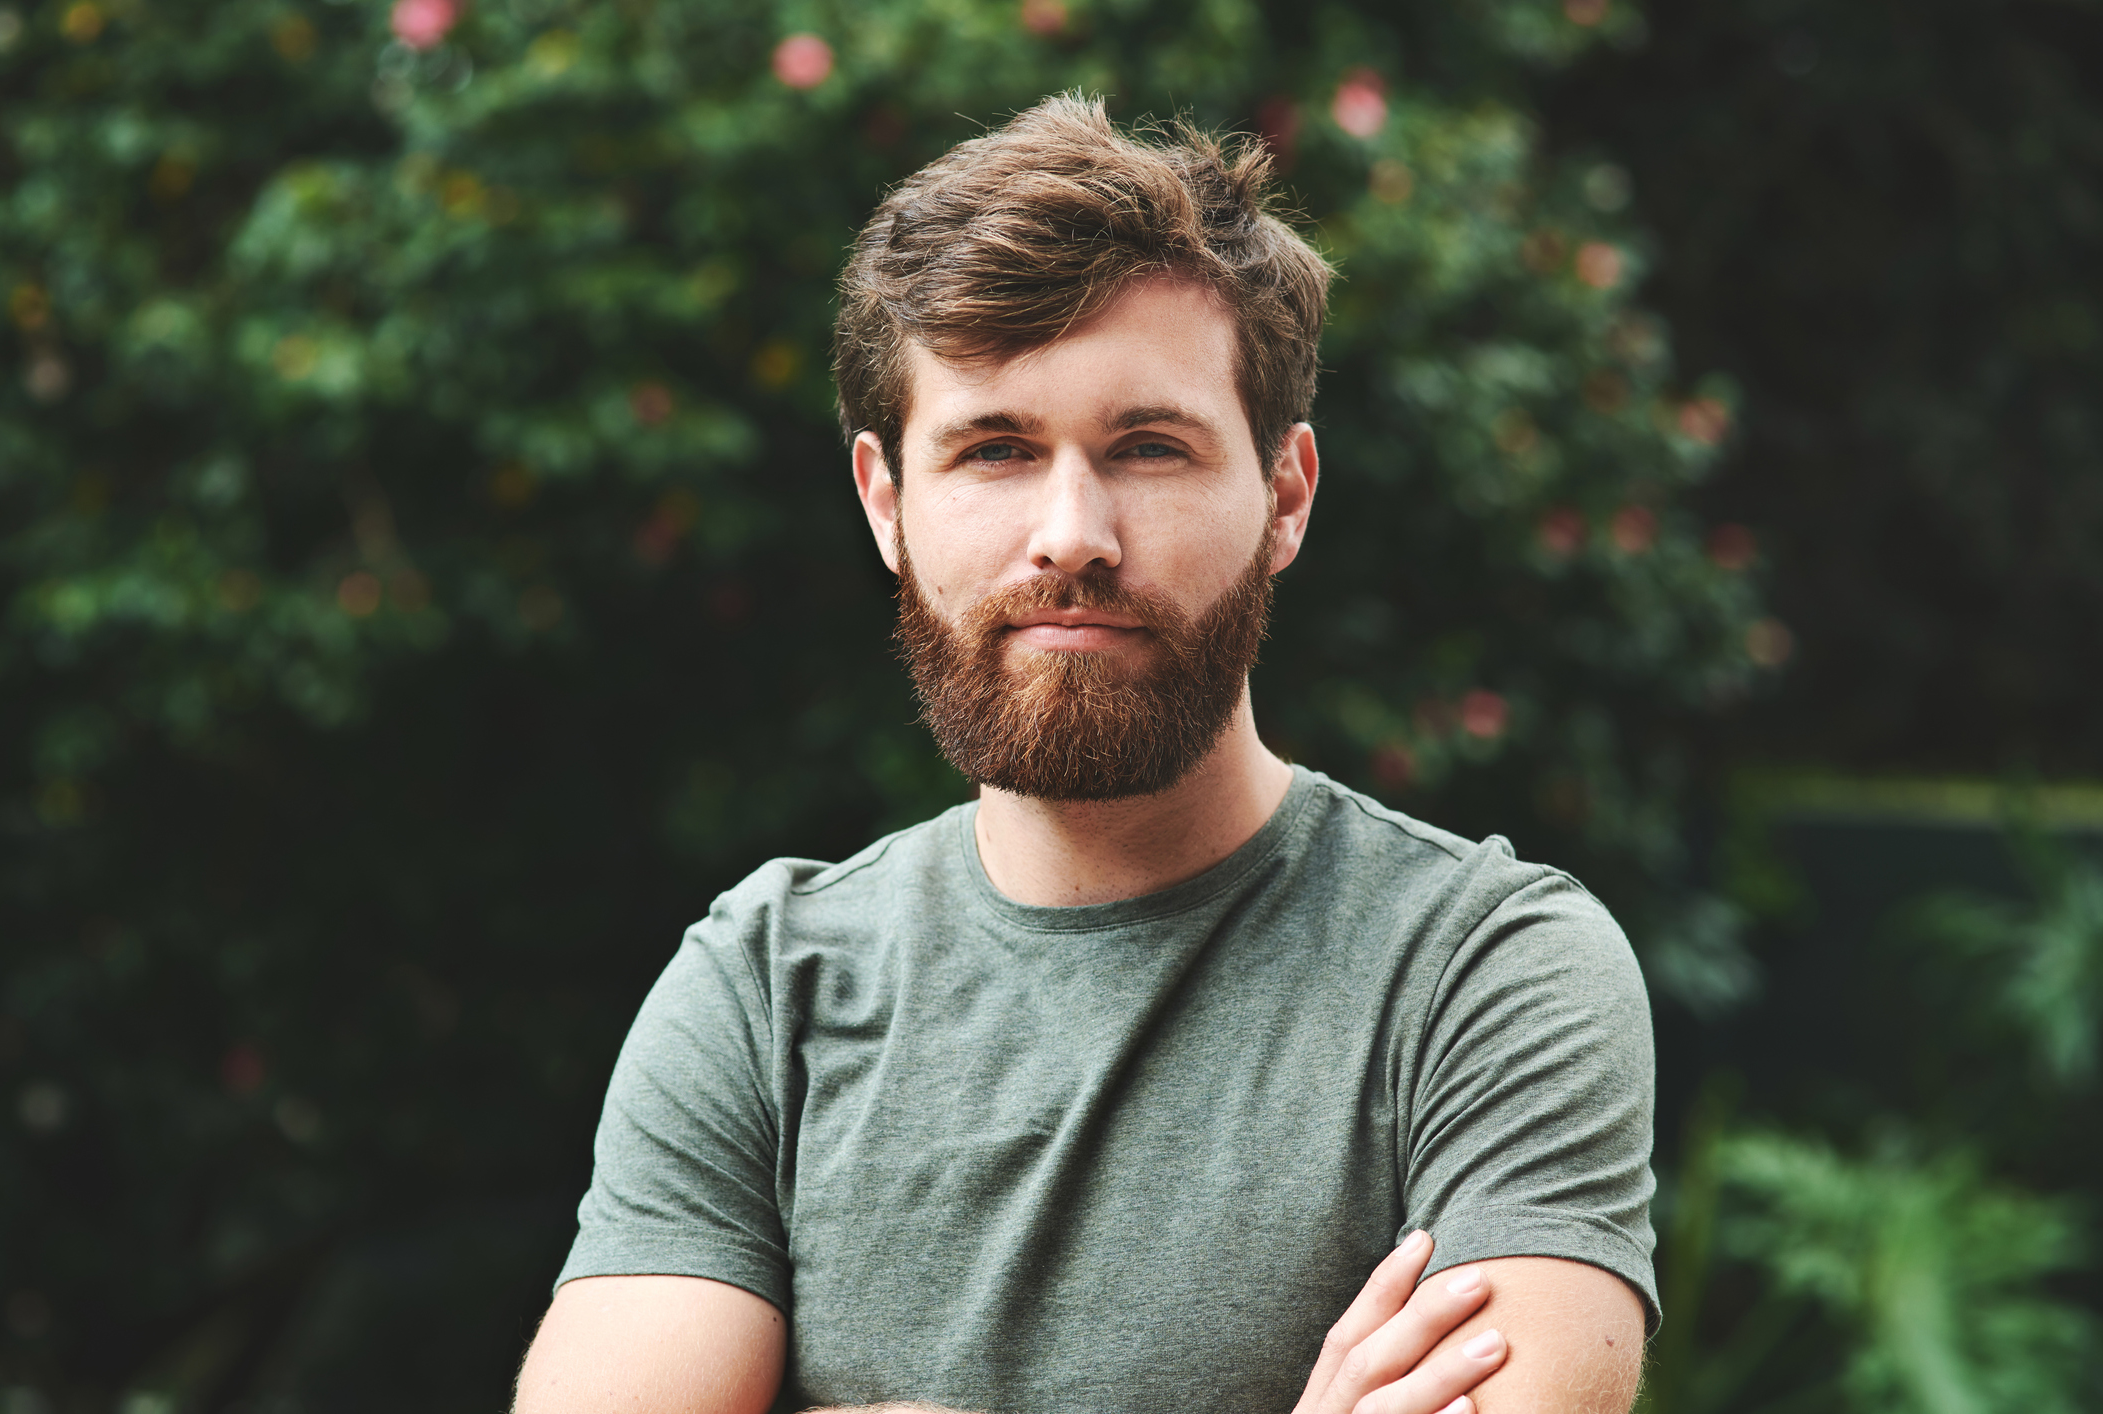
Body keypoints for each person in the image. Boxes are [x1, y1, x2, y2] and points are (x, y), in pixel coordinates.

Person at [513, 95, 1656, 1414]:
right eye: (993, 449)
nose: (1070, 533)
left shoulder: (1482, 971)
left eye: (1148, 448)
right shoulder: (765, 990)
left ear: (1284, 495)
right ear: (886, 501)